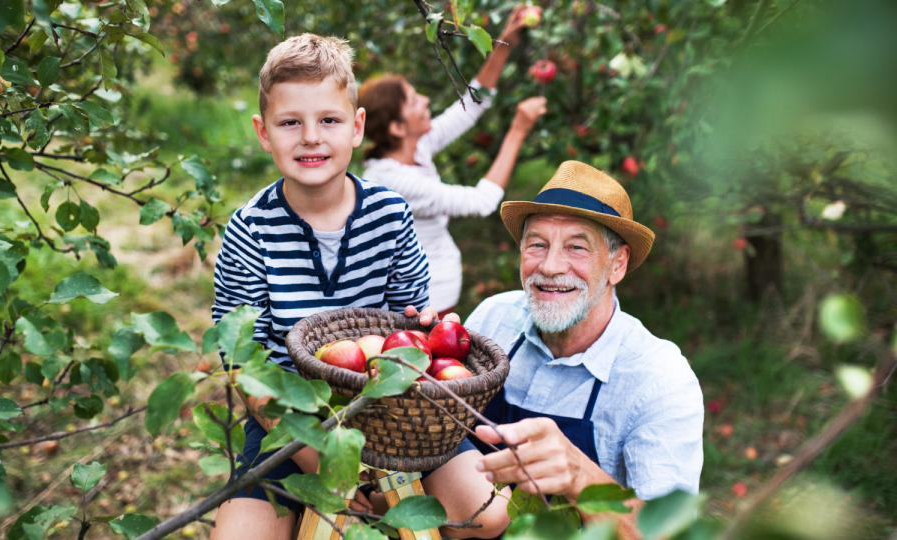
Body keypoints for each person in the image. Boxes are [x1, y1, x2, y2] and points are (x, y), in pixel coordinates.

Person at [210, 34, 508, 540]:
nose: (311, 137)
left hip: (396, 412)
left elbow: (412, 334)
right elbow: (244, 365)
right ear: (264, 133)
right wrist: (327, 462)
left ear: (357, 127)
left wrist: (428, 339)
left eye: (329, 120)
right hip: (291, 421)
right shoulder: (250, 229)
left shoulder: (390, 215)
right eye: (290, 123)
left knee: (486, 514)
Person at [464, 161, 704, 539]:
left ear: (617, 264)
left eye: (576, 247)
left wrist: (581, 477)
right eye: (537, 244)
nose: (550, 265)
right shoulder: (492, 319)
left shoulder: (660, 380)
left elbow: (668, 533)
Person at [358, 5, 547, 314]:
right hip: (423, 304)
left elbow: (472, 105)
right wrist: (517, 130)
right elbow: (482, 201)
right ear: (396, 127)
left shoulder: (413, 148)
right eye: (413, 100)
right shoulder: (393, 183)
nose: (426, 100)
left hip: (435, 291)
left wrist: (504, 40)